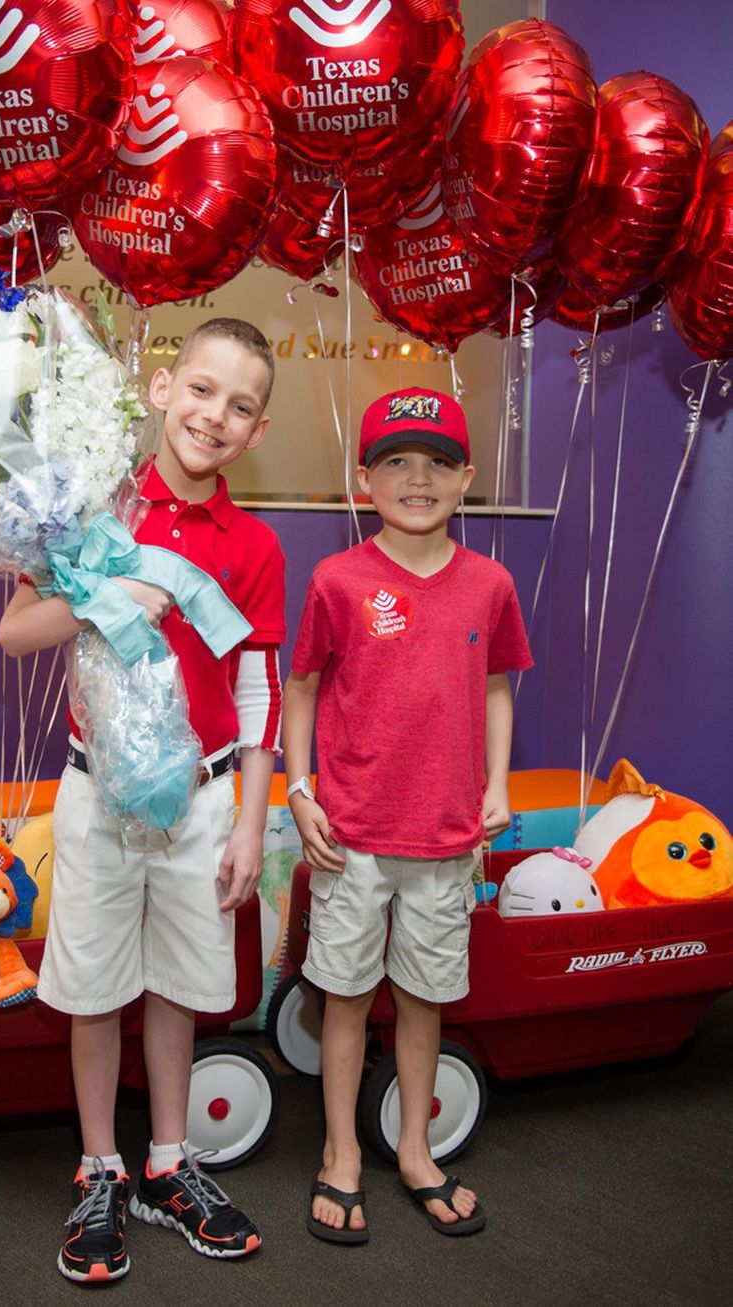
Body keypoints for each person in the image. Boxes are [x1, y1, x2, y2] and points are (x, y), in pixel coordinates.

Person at [0, 319, 286, 1283]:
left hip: (201, 803)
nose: (215, 414)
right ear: (162, 389)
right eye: (202, 390)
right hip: (96, 794)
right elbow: (14, 634)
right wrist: (102, 591)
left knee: (174, 988)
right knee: (91, 992)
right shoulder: (87, 505)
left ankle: (169, 1160)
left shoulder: (254, 544)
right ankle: (99, 1166)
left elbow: (259, 689)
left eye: (240, 406)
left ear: (255, 433)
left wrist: (250, 817)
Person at [282, 386, 532, 1244]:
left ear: (467, 478)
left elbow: (498, 684)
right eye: (396, 461)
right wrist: (299, 786)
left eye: (437, 462)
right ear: (365, 479)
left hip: (446, 835)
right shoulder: (337, 579)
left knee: (424, 999)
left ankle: (417, 1149)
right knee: (345, 996)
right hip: (352, 834)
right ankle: (341, 1151)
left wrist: (498, 781)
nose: (416, 478)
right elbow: (303, 685)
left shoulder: (490, 583)